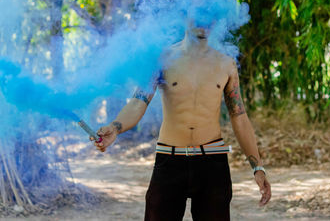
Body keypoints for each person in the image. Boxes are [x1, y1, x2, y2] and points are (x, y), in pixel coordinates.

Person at [92, 21, 272, 221]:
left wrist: (257, 167)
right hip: (170, 160)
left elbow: (239, 116)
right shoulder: (162, 60)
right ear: (186, 14)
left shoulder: (226, 64)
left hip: (212, 163)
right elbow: (138, 102)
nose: (205, 23)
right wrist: (115, 127)